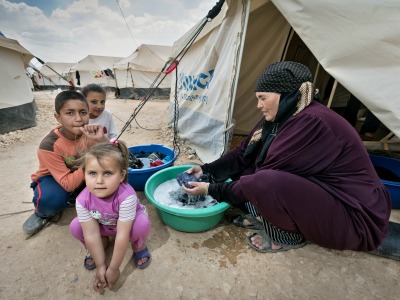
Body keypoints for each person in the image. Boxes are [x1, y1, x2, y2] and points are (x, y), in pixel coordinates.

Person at [182, 61, 390, 253]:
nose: (259, 105)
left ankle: (285, 236)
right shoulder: (282, 117)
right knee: (247, 170)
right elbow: (242, 154)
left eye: (263, 98)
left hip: (355, 217)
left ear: (287, 94)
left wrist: (213, 189)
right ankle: (266, 216)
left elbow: (263, 181)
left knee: (263, 181)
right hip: (325, 196)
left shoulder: (312, 122)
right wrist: (207, 170)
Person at [22, 91, 109, 235]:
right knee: (51, 198)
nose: (78, 119)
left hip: (81, 174)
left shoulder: (90, 133)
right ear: (58, 117)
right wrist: (92, 159)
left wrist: (101, 139)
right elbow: (67, 184)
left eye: (83, 112)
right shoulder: (49, 145)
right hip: (54, 178)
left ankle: (76, 197)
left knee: (112, 179)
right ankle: (42, 213)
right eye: (70, 113)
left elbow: (116, 158)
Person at [69, 140, 151, 292]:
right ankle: (102, 243)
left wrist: (113, 268)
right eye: (92, 173)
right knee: (75, 226)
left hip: (125, 226)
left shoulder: (127, 196)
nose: (99, 181)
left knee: (141, 224)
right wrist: (101, 266)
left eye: (107, 173)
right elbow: (91, 233)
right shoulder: (82, 200)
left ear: (121, 176)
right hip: (104, 225)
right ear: (84, 174)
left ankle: (138, 245)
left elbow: (122, 234)